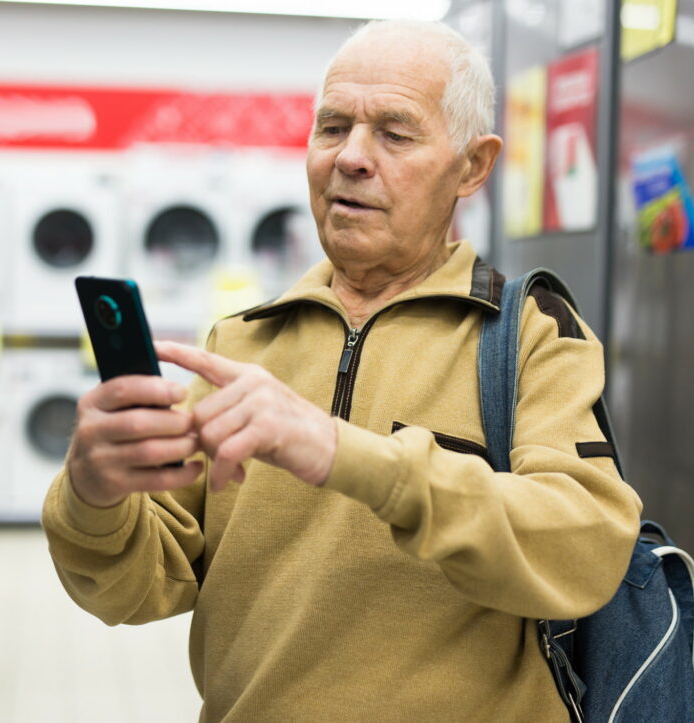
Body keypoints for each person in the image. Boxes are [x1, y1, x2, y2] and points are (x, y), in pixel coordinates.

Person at [42, 18, 641, 721]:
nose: (351, 158)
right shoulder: (240, 344)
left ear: (472, 167)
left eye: (394, 132)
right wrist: (92, 494)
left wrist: (345, 454)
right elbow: (137, 590)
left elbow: (586, 549)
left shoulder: (529, 333)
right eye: (332, 128)